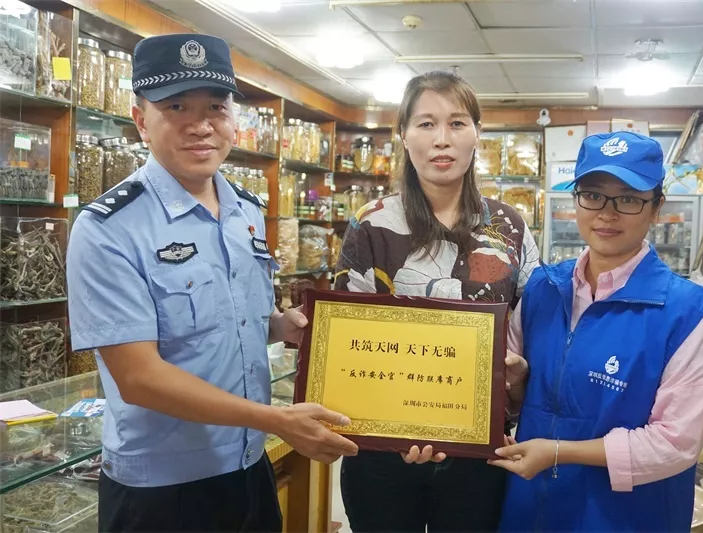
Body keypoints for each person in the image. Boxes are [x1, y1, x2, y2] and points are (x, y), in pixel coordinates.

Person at [66, 33, 357, 533]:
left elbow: (233, 315)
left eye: (216, 107)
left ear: (233, 118)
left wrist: (279, 326)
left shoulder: (245, 209)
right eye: (176, 106)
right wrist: (275, 420)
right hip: (161, 490)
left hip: (248, 465)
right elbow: (138, 377)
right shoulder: (108, 228)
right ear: (141, 121)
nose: (201, 125)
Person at [333, 70, 540, 532]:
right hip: (382, 451)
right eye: (426, 124)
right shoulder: (371, 223)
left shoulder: (509, 226)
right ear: (404, 135)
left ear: (477, 134)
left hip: (481, 451)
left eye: (457, 123)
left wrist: (520, 373)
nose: (441, 139)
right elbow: (348, 339)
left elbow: (531, 325)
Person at [490, 131, 703, 532]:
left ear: (656, 208)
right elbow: (511, 400)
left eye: (628, 198)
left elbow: (676, 443)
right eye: (593, 195)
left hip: (626, 517)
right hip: (530, 509)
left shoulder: (686, 315)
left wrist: (560, 453)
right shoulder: (542, 290)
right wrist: (514, 384)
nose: (607, 213)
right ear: (576, 200)